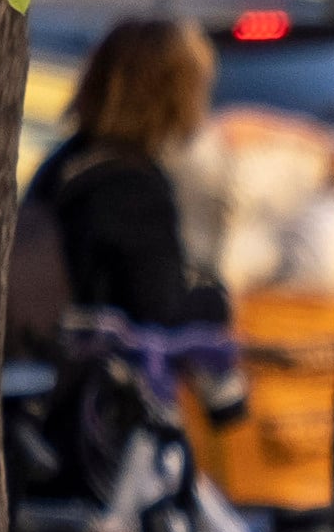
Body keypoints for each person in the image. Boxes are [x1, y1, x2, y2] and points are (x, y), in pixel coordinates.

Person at [28, 18, 232, 334]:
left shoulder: (66, 161)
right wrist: (217, 302)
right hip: (93, 376)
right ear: (173, 95)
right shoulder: (135, 190)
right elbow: (159, 314)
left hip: (40, 364)